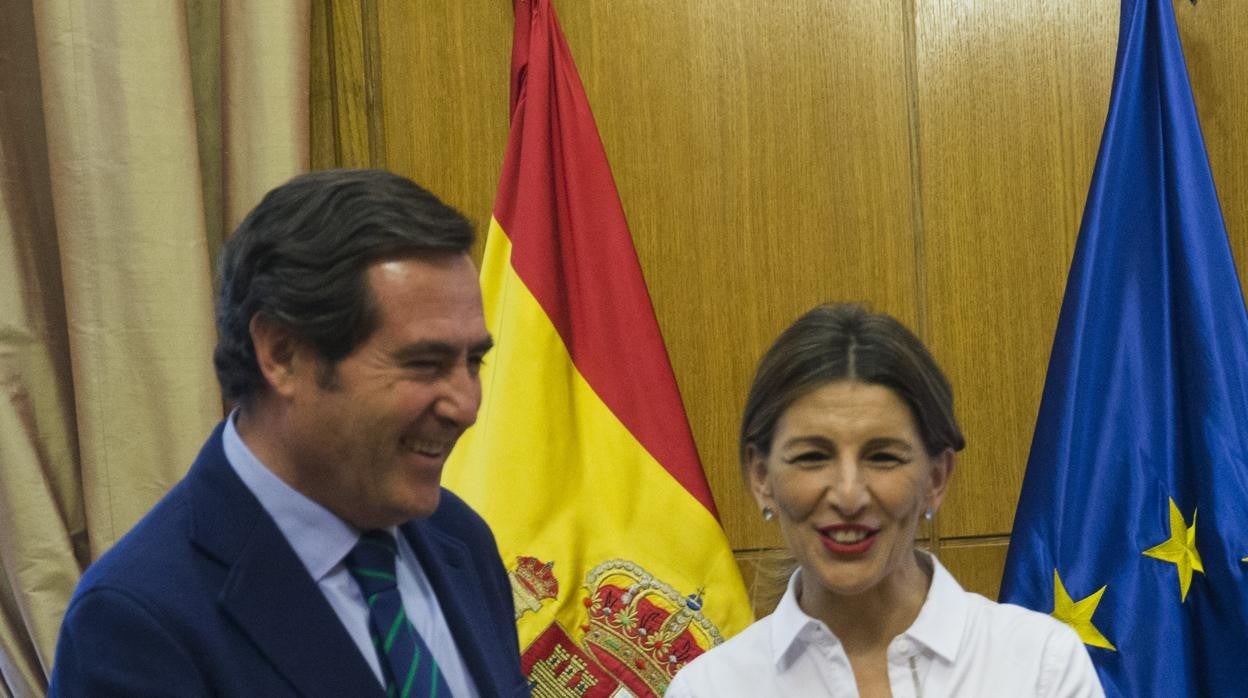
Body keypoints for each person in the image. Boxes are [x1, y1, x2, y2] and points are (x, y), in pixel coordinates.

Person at [49, 170, 530, 697]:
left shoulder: (460, 541)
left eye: (473, 362)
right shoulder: (136, 621)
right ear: (283, 355)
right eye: (424, 364)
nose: (466, 406)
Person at [666, 303, 1102, 697]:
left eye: (883, 457)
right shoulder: (708, 689)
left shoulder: (1041, 667)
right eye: (812, 457)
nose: (849, 495)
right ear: (762, 477)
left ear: (936, 478)